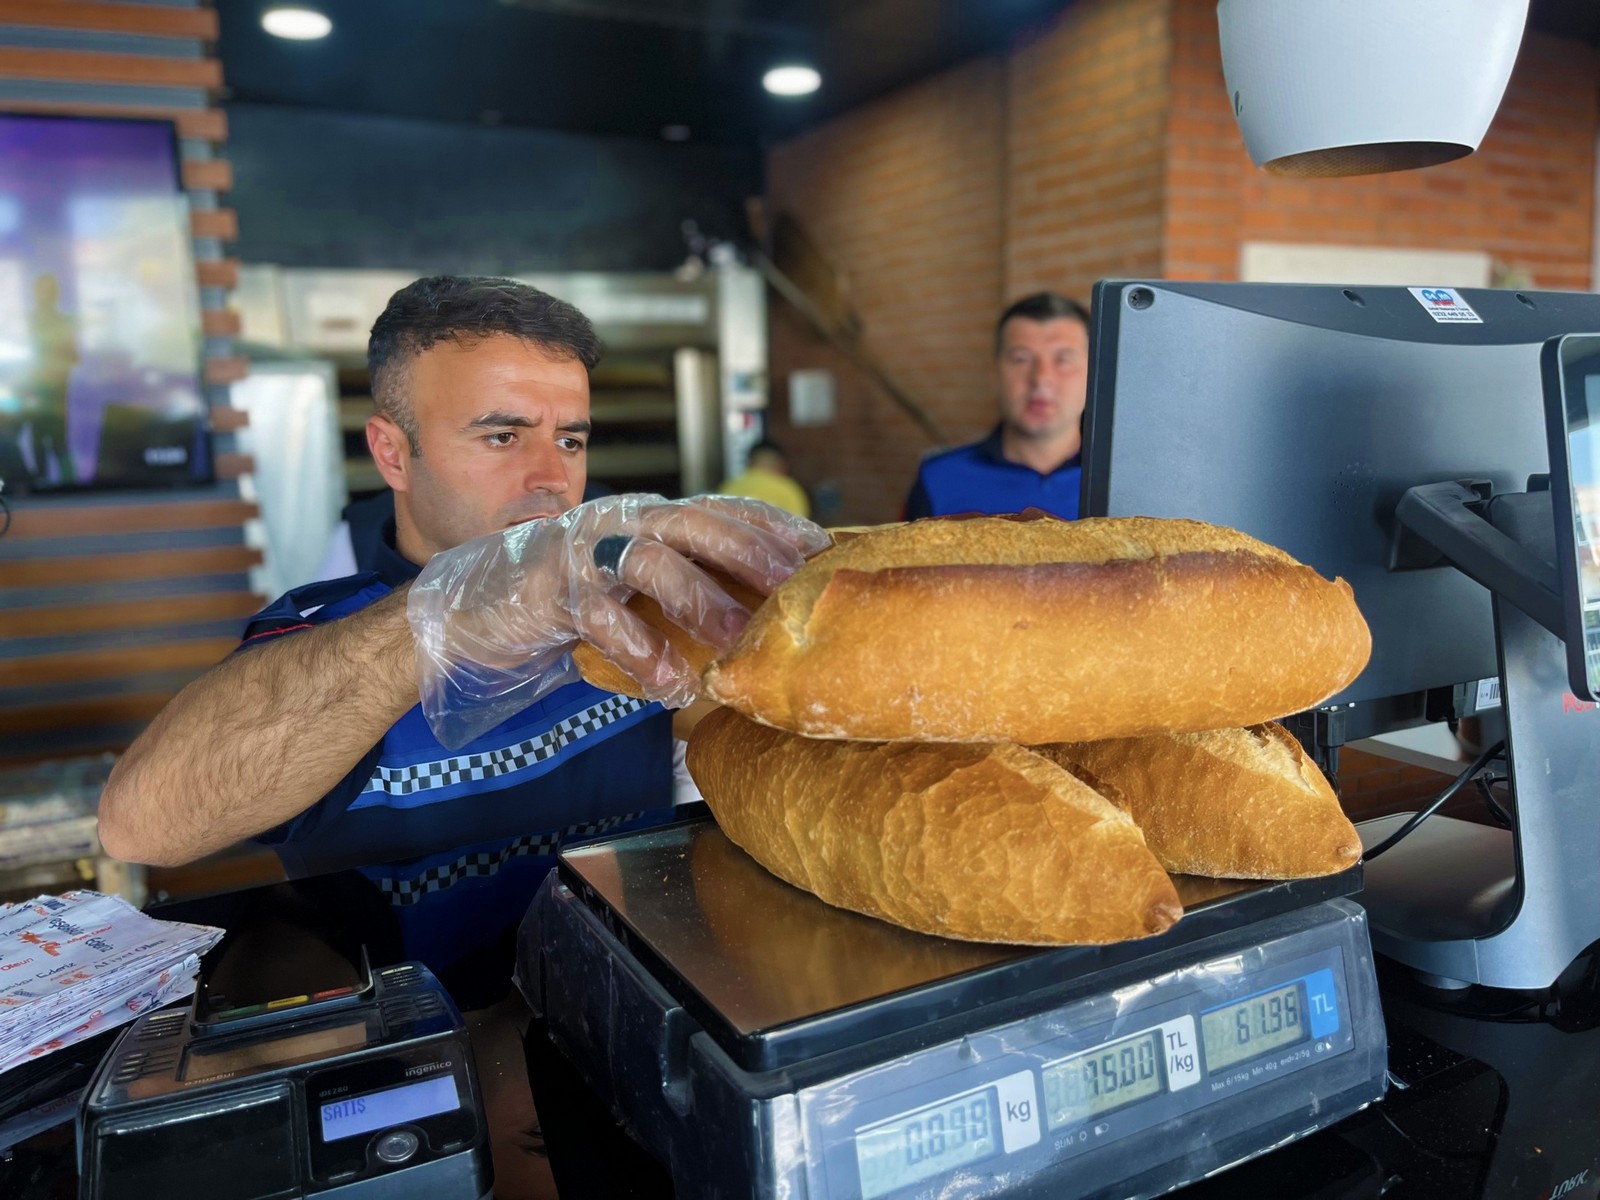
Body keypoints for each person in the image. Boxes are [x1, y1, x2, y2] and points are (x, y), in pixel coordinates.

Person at [97, 276, 825, 1003]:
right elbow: (140, 827)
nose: (551, 480)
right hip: (438, 1056)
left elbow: (753, 742)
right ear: (392, 454)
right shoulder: (327, 632)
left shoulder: (637, 604)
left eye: (569, 439)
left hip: (652, 1008)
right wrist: (446, 616)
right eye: (502, 435)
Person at [904, 292, 1089, 520]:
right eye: (1021, 359)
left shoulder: (1125, 482)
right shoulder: (938, 478)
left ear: (1094, 375)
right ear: (994, 374)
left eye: (1063, 360)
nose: (1041, 378)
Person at [715, 439, 810, 518]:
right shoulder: (788, 489)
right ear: (781, 464)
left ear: (749, 462)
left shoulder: (729, 486)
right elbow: (801, 533)